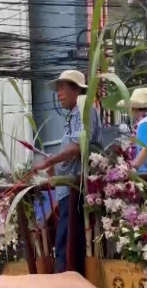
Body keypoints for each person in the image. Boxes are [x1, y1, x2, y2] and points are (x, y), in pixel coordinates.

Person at [31, 70, 101, 273]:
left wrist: (50, 161)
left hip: (76, 189)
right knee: (62, 243)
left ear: (76, 89)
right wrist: (54, 165)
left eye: (63, 88)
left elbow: (77, 147)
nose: (58, 94)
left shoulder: (84, 110)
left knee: (67, 246)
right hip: (66, 191)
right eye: (58, 89)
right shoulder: (73, 115)